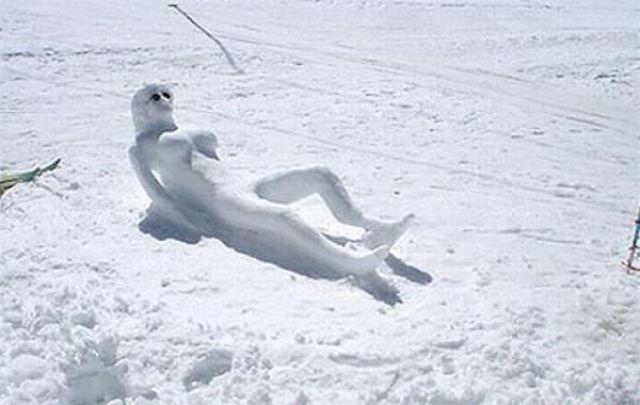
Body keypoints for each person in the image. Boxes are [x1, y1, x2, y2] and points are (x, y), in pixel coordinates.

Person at [129, 84, 413, 299]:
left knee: (319, 174)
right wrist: (190, 221)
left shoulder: (188, 129)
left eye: (166, 94)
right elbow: (157, 194)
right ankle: (351, 263)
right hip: (225, 201)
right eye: (154, 97)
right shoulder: (143, 145)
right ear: (141, 107)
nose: (164, 99)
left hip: (246, 184)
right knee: (285, 217)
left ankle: (373, 226)